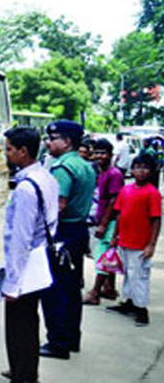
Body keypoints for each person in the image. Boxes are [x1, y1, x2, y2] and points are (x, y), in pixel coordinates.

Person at [1, 127, 59, 383]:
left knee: (19, 326)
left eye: (10, 149)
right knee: (29, 321)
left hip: (27, 264)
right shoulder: (46, 177)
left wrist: (12, 282)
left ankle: (23, 376)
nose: (7, 154)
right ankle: (25, 370)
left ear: (23, 151)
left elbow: (20, 239)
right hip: (40, 258)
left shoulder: (26, 188)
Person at [40, 120, 96, 360]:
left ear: (68, 142)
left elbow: (58, 206)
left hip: (62, 233)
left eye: (54, 138)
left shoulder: (63, 168)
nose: (49, 143)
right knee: (72, 289)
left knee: (55, 290)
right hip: (78, 230)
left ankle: (58, 342)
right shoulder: (85, 166)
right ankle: (72, 337)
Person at [107, 154, 162, 326]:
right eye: (138, 167)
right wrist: (115, 236)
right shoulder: (126, 190)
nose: (141, 171)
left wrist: (151, 244)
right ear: (132, 169)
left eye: (145, 168)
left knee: (140, 276)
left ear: (152, 171)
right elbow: (120, 214)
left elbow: (156, 219)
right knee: (128, 275)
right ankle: (129, 302)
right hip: (125, 240)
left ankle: (141, 310)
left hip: (141, 243)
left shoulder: (152, 194)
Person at [83, 139, 124, 305]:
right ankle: (110, 288)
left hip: (111, 222)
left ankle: (95, 292)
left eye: (103, 153)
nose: (99, 156)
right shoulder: (101, 172)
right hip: (103, 220)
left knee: (102, 256)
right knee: (108, 254)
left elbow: (115, 201)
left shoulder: (114, 174)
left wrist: (104, 224)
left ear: (110, 155)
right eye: (97, 152)